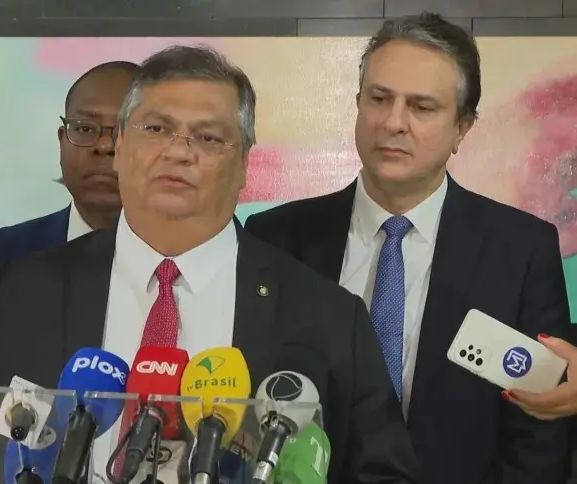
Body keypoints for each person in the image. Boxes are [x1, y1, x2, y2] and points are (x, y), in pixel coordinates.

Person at [0, 45, 421, 484]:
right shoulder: (23, 292)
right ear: (121, 145)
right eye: (157, 128)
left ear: (244, 163)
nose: (179, 152)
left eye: (208, 137)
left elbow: (383, 474)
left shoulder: (327, 316)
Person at [244, 12, 572, 484]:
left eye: (421, 107)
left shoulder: (521, 250)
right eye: (379, 99)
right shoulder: (275, 237)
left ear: (462, 128)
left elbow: (539, 436)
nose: (393, 122)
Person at [0, 61, 138, 260]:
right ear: (62, 139)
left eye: (125, 130)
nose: (105, 146)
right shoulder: (2, 254)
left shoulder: (182, 256)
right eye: (85, 129)